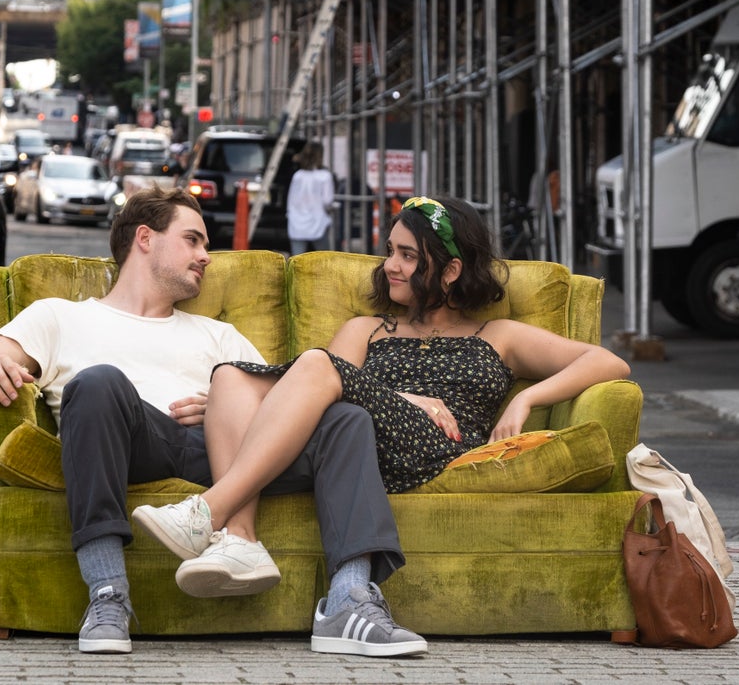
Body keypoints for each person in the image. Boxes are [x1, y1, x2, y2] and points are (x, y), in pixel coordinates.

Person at [0, 186, 423, 658]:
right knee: (96, 384)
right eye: (193, 240)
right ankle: (108, 595)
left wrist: (225, 405)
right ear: (145, 238)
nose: (206, 256)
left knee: (344, 418)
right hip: (132, 442)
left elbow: (289, 405)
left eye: (206, 246)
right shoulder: (59, 317)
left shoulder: (220, 335)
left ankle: (350, 599)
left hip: (231, 458)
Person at [134, 196, 631, 635]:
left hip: (438, 447)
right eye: (391, 250)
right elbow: (325, 402)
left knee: (313, 362)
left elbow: (608, 361)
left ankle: (207, 512)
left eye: (407, 255)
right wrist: (406, 399)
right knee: (231, 376)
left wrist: (527, 398)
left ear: (450, 271)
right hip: (364, 444)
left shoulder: (497, 336)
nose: (391, 264)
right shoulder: (368, 329)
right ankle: (238, 540)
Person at [286, 141, 335, 255]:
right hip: (317, 222)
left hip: (296, 223)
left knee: (296, 262)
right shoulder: (325, 176)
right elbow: (328, 201)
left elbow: (291, 200)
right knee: (324, 259)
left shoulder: (298, 175)